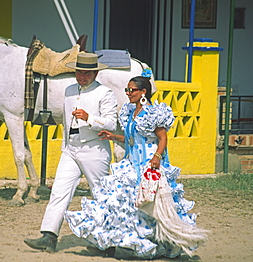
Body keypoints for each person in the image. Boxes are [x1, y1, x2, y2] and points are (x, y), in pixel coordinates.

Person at [64, 75, 208, 259]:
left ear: (143, 92)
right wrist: (113, 137)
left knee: (149, 204)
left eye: (132, 90)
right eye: (127, 90)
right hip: (131, 163)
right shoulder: (130, 113)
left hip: (149, 165)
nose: (128, 93)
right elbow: (132, 140)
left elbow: (162, 138)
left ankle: (154, 244)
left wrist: (157, 157)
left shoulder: (152, 113)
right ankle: (123, 243)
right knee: (121, 202)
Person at [24, 53, 118, 252]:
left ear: (95, 73)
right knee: (59, 191)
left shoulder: (105, 93)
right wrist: (66, 146)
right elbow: (66, 121)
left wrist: (89, 117)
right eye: (79, 72)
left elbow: (111, 123)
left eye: (86, 73)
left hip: (94, 149)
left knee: (101, 194)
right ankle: (49, 236)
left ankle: (108, 240)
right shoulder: (69, 90)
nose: (82, 76)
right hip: (71, 149)